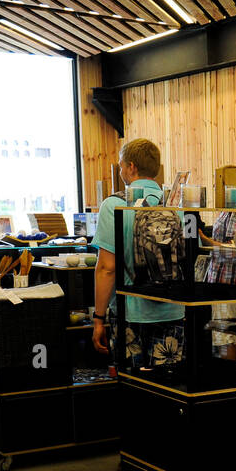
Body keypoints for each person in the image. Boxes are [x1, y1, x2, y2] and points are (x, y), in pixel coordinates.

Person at [91, 139, 184, 369]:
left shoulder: (114, 206)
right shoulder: (176, 206)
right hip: (174, 310)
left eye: (121, 165)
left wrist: (98, 319)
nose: (121, 170)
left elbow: (107, 268)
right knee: (169, 388)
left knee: (133, 389)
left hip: (130, 313)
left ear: (131, 167)